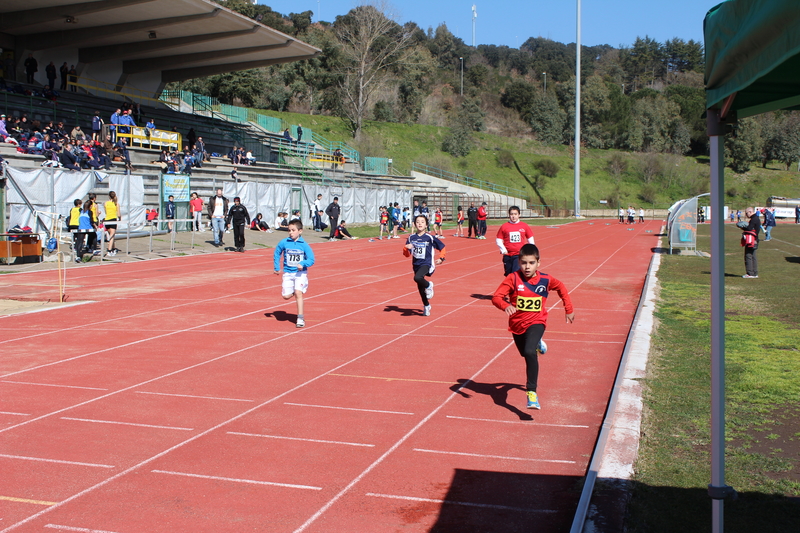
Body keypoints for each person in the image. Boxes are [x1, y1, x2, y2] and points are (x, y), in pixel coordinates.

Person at [492, 244, 575, 409]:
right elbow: (496, 297)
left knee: (530, 353)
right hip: (516, 324)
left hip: (537, 321)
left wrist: (569, 309)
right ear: (518, 262)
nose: (527, 267)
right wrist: (505, 305)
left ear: (539, 263)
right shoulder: (513, 278)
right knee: (525, 353)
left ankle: (532, 393)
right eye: (523, 263)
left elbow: (561, 288)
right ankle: (537, 344)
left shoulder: (546, 279)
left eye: (531, 263)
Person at [273, 219, 315, 328]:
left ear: (300, 231)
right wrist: (277, 267)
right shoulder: (284, 242)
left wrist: (303, 263)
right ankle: (298, 290)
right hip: (288, 273)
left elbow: (311, 259)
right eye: (289, 230)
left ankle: (300, 318)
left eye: (293, 230)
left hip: (300, 273)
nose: (291, 232)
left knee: (298, 293)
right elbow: (277, 253)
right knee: (286, 296)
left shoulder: (304, 245)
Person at [403, 214, 446, 317]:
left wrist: (441, 258)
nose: (420, 224)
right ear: (414, 224)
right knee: (420, 288)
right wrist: (406, 248)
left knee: (417, 277)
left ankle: (429, 285)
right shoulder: (411, 238)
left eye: (422, 222)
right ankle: (426, 305)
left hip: (427, 264)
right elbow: (407, 255)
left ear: (426, 225)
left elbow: (442, 247)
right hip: (416, 264)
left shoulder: (430, 237)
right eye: (418, 222)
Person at [496, 206, 536, 276]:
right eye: (511, 214)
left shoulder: (524, 226)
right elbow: (498, 239)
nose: (513, 216)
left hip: (518, 255)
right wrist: (503, 249)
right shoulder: (504, 226)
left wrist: (531, 250)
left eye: (515, 214)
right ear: (509, 215)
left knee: (515, 274)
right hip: (507, 255)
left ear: (519, 215)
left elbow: (530, 239)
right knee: (508, 275)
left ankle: (518, 286)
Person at [739, 207, 761, 278]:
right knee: (753, 256)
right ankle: (754, 273)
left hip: (751, 240)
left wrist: (742, 227)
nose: (746, 215)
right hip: (755, 240)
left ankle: (750, 273)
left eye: (746, 213)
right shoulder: (756, 219)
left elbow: (749, 228)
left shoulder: (753, 219)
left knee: (748, 256)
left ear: (750, 212)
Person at [104, 191, 121, 256]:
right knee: (112, 236)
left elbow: (106, 212)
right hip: (113, 220)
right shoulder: (117, 204)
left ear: (109, 196)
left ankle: (113, 248)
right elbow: (119, 214)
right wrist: (120, 219)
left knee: (111, 235)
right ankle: (109, 250)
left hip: (107, 220)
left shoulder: (106, 203)